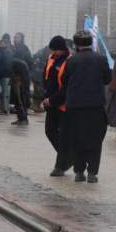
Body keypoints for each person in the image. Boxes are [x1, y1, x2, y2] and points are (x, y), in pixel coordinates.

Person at [61, 30, 111, 183]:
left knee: (77, 138)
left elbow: (64, 81)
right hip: (96, 106)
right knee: (95, 139)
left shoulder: (71, 60)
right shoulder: (101, 59)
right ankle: (92, 173)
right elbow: (108, 79)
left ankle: (79, 171)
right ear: (91, 42)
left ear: (76, 44)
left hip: (75, 106)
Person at [42, 36, 71, 176]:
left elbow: (67, 88)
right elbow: (46, 76)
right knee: (50, 131)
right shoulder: (51, 58)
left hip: (63, 104)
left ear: (61, 49)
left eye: (55, 50)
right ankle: (67, 158)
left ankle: (62, 164)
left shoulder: (69, 62)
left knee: (64, 135)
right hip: (51, 102)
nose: (53, 52)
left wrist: (52, 100)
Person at [0, 34, 15, 115]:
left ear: (7, 43)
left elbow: (7, 64)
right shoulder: (0, 51)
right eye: (1, 43)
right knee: (1, 93)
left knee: (5, 94)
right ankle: (2, 109)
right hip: (0, 75)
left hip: (6, 75)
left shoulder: (8, 51)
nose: (1, 44)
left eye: (3, 43)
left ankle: (5, 110)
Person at [12, 32, 34, 112]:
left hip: (22, 77)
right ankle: (20, 117)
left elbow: (28, 63)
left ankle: (23, 117)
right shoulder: (14, 48)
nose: (14, 39)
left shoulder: (23, 48)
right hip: (15, 76)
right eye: (14, 37)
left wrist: (23, 77)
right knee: (17, 98)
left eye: (17, 37)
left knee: (21, 97)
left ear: (21, 39)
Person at [10, 57, 30, 125]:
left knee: (20, 102)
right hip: (22, 83)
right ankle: (21, 119)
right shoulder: (19, 63)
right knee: (19, 102)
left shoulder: (16, 64)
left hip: (20, 84)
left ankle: (23, 119)